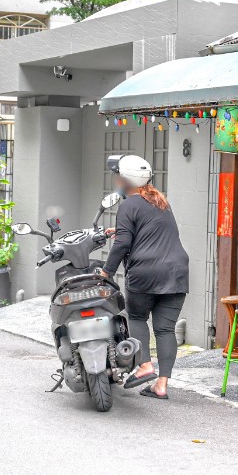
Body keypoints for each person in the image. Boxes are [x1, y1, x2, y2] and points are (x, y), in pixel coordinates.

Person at [100, 154, 189, 400]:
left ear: (126, 180)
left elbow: (122, 244)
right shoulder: (161, 202)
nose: (116, 181)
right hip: (177, 271)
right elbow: (152, 232)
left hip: (146, 272)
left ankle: (146, 366)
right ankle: (161, 385)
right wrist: (120, 230)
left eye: (118, 177)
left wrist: (106, 271)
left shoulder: (128, 204)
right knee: (165, 329)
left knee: (137, 317)